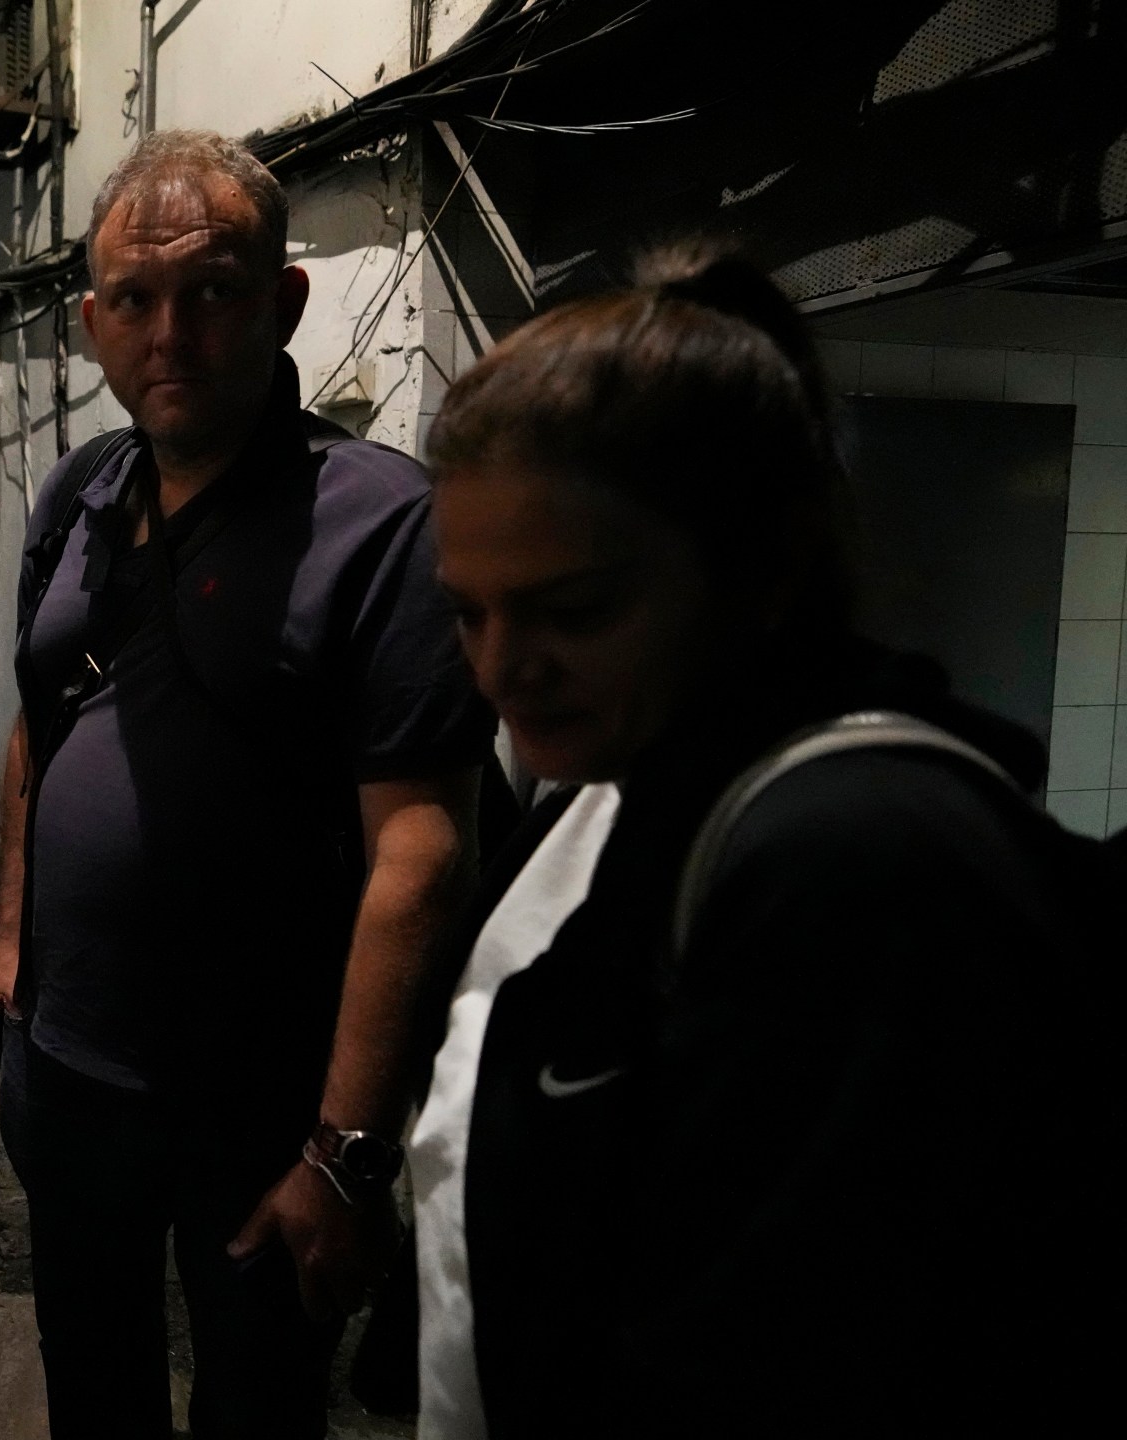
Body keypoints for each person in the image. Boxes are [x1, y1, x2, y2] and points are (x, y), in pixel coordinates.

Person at [411, 249, 1105, 1439]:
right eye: (466, 613)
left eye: (570, 610)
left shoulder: (858, 861)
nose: (499, 668)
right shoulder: (647, 788)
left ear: (759, 568)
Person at [0, 130, 493, 1439]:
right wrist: (8, 944)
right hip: (72, 1064)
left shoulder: (379, 523)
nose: (172, 334)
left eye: (212, 293)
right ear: (90, 323)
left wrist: (347, 1149)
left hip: (264, 1102)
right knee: (94, 1380)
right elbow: (38, 731)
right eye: (136, 303)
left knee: (258, 1408)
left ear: (284, 303)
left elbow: (421, 858)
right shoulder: (78, 497)